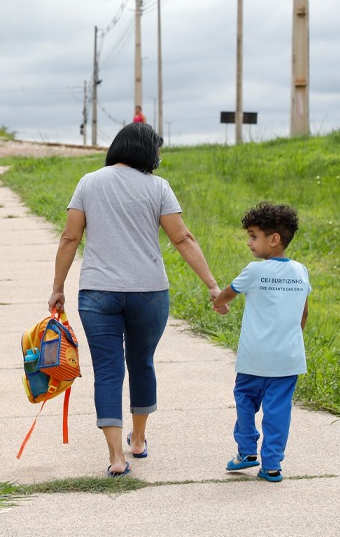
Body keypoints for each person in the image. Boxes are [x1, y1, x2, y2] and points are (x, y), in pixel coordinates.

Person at [49, 122, 221, 477]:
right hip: (149, 293)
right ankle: (138, 440)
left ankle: (116, 457)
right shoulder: (159, 187)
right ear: (147, 152)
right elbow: (183, 238)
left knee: (108, 371)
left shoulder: (88, 182)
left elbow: (69, 238)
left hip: (97, 292)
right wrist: (212, 285)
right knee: (141, 362)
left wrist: (58, 287)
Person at [212, 202, 311, 483]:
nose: (249, 242)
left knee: (245, 400)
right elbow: (303, 312)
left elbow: (229, 292)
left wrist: (219, 303)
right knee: (278, 411)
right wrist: (292, 338)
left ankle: (246, 451)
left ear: (274, 239)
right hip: (287, 359)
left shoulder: (254, 271)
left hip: (254, 358)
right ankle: (272, 465)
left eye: (254, 236)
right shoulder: (301, 271)